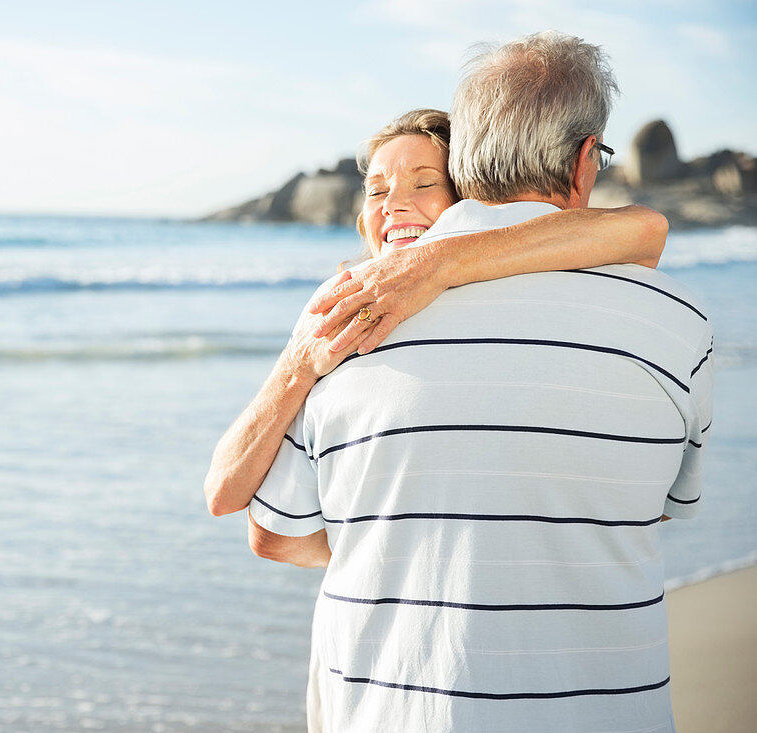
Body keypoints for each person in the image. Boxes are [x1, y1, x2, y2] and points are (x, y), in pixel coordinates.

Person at [240, 32, 712, 732]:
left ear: (463, 162)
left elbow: (274, 534)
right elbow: (665, 502)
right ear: (586, 161)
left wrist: (412, 542)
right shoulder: (681, 323)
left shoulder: (347, 320)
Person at [205, 107, 667, 519]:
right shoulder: (339, 312)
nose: (393, 204)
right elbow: (221, 494)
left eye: (425, 183)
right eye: (376, 191)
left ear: (468, 200)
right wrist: (297, 366)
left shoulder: (502, 287)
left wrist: (437, 263)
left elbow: (641, 229)